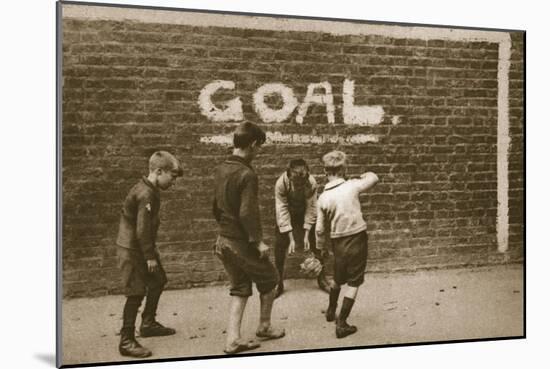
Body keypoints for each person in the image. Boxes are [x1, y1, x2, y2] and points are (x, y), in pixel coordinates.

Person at [212, 122, 285, 354]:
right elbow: (247, 213)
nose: (259, 152)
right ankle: (264, 326)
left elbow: (216, 207)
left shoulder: (222, 168)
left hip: (223, 240)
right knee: (272, 279)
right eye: (259, 147)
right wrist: (258, 241)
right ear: (253, 145)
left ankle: (232, 339)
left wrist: (226, 229)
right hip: (240, 243)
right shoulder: (247, 174)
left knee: (240, 287)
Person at [115, 151, 183, 358]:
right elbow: (142, 230)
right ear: (159, 171)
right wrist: (149, 256)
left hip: (141, 248)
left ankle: (148, 323)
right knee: (135, 293)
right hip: (132, 250)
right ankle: (126, 340)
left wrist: (149, 252)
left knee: (158, 280)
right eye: (172, 176)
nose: (173, 181)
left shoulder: (149, 189)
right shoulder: (146, 193)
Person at [315, 150, 379, 339]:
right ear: (343, 169)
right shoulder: (352, 186)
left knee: (337, 277)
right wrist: (360, 176)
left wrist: (321, 248)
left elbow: (319, 229)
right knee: (354, 281)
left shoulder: (323, 198)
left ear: (325, 171)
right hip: (357, 238)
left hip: (337, 242)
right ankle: (342, 323)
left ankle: (331, 310)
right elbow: (374, 177)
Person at [274, 159, 331, 297]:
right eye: (296, 183)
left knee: (317, 241)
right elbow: (282, 210)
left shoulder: (311, 183)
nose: (299, 186)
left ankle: (322, 279)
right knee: (279, 245)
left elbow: (312, 208)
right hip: (288, 213)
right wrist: (291, 237)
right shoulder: (281, 184)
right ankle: (278, 282)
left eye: (302, 183)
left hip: (304, 211)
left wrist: (307, 234)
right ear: (289, 176)